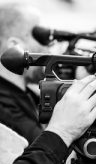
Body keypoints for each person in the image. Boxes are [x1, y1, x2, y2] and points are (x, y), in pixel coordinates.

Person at [0, 3, 47, 143]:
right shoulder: (5, 108)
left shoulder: (28, 94)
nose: (49, 47)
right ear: (15, 46)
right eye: (43, 38)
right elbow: (51, 157)